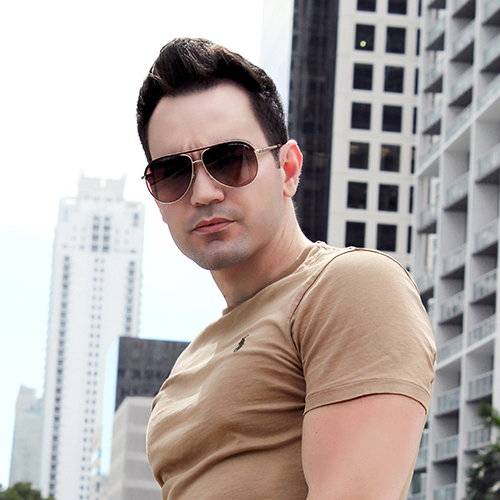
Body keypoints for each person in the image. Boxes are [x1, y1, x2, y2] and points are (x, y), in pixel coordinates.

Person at [136, 37, 436, 500]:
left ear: (289, 169)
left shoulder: (349, 286)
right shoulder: (191, 361)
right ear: (157, 200)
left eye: (229, 160)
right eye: (173, 172)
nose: (204, 193)